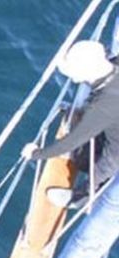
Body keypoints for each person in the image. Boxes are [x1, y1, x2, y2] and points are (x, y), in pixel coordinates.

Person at [22, 40, 119, 207]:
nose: (73, 79)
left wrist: (36, 153)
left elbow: (71, 141)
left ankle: (80, 198)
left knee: (101, 170)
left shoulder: (103, 105)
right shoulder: (114, 65)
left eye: (75, 73)